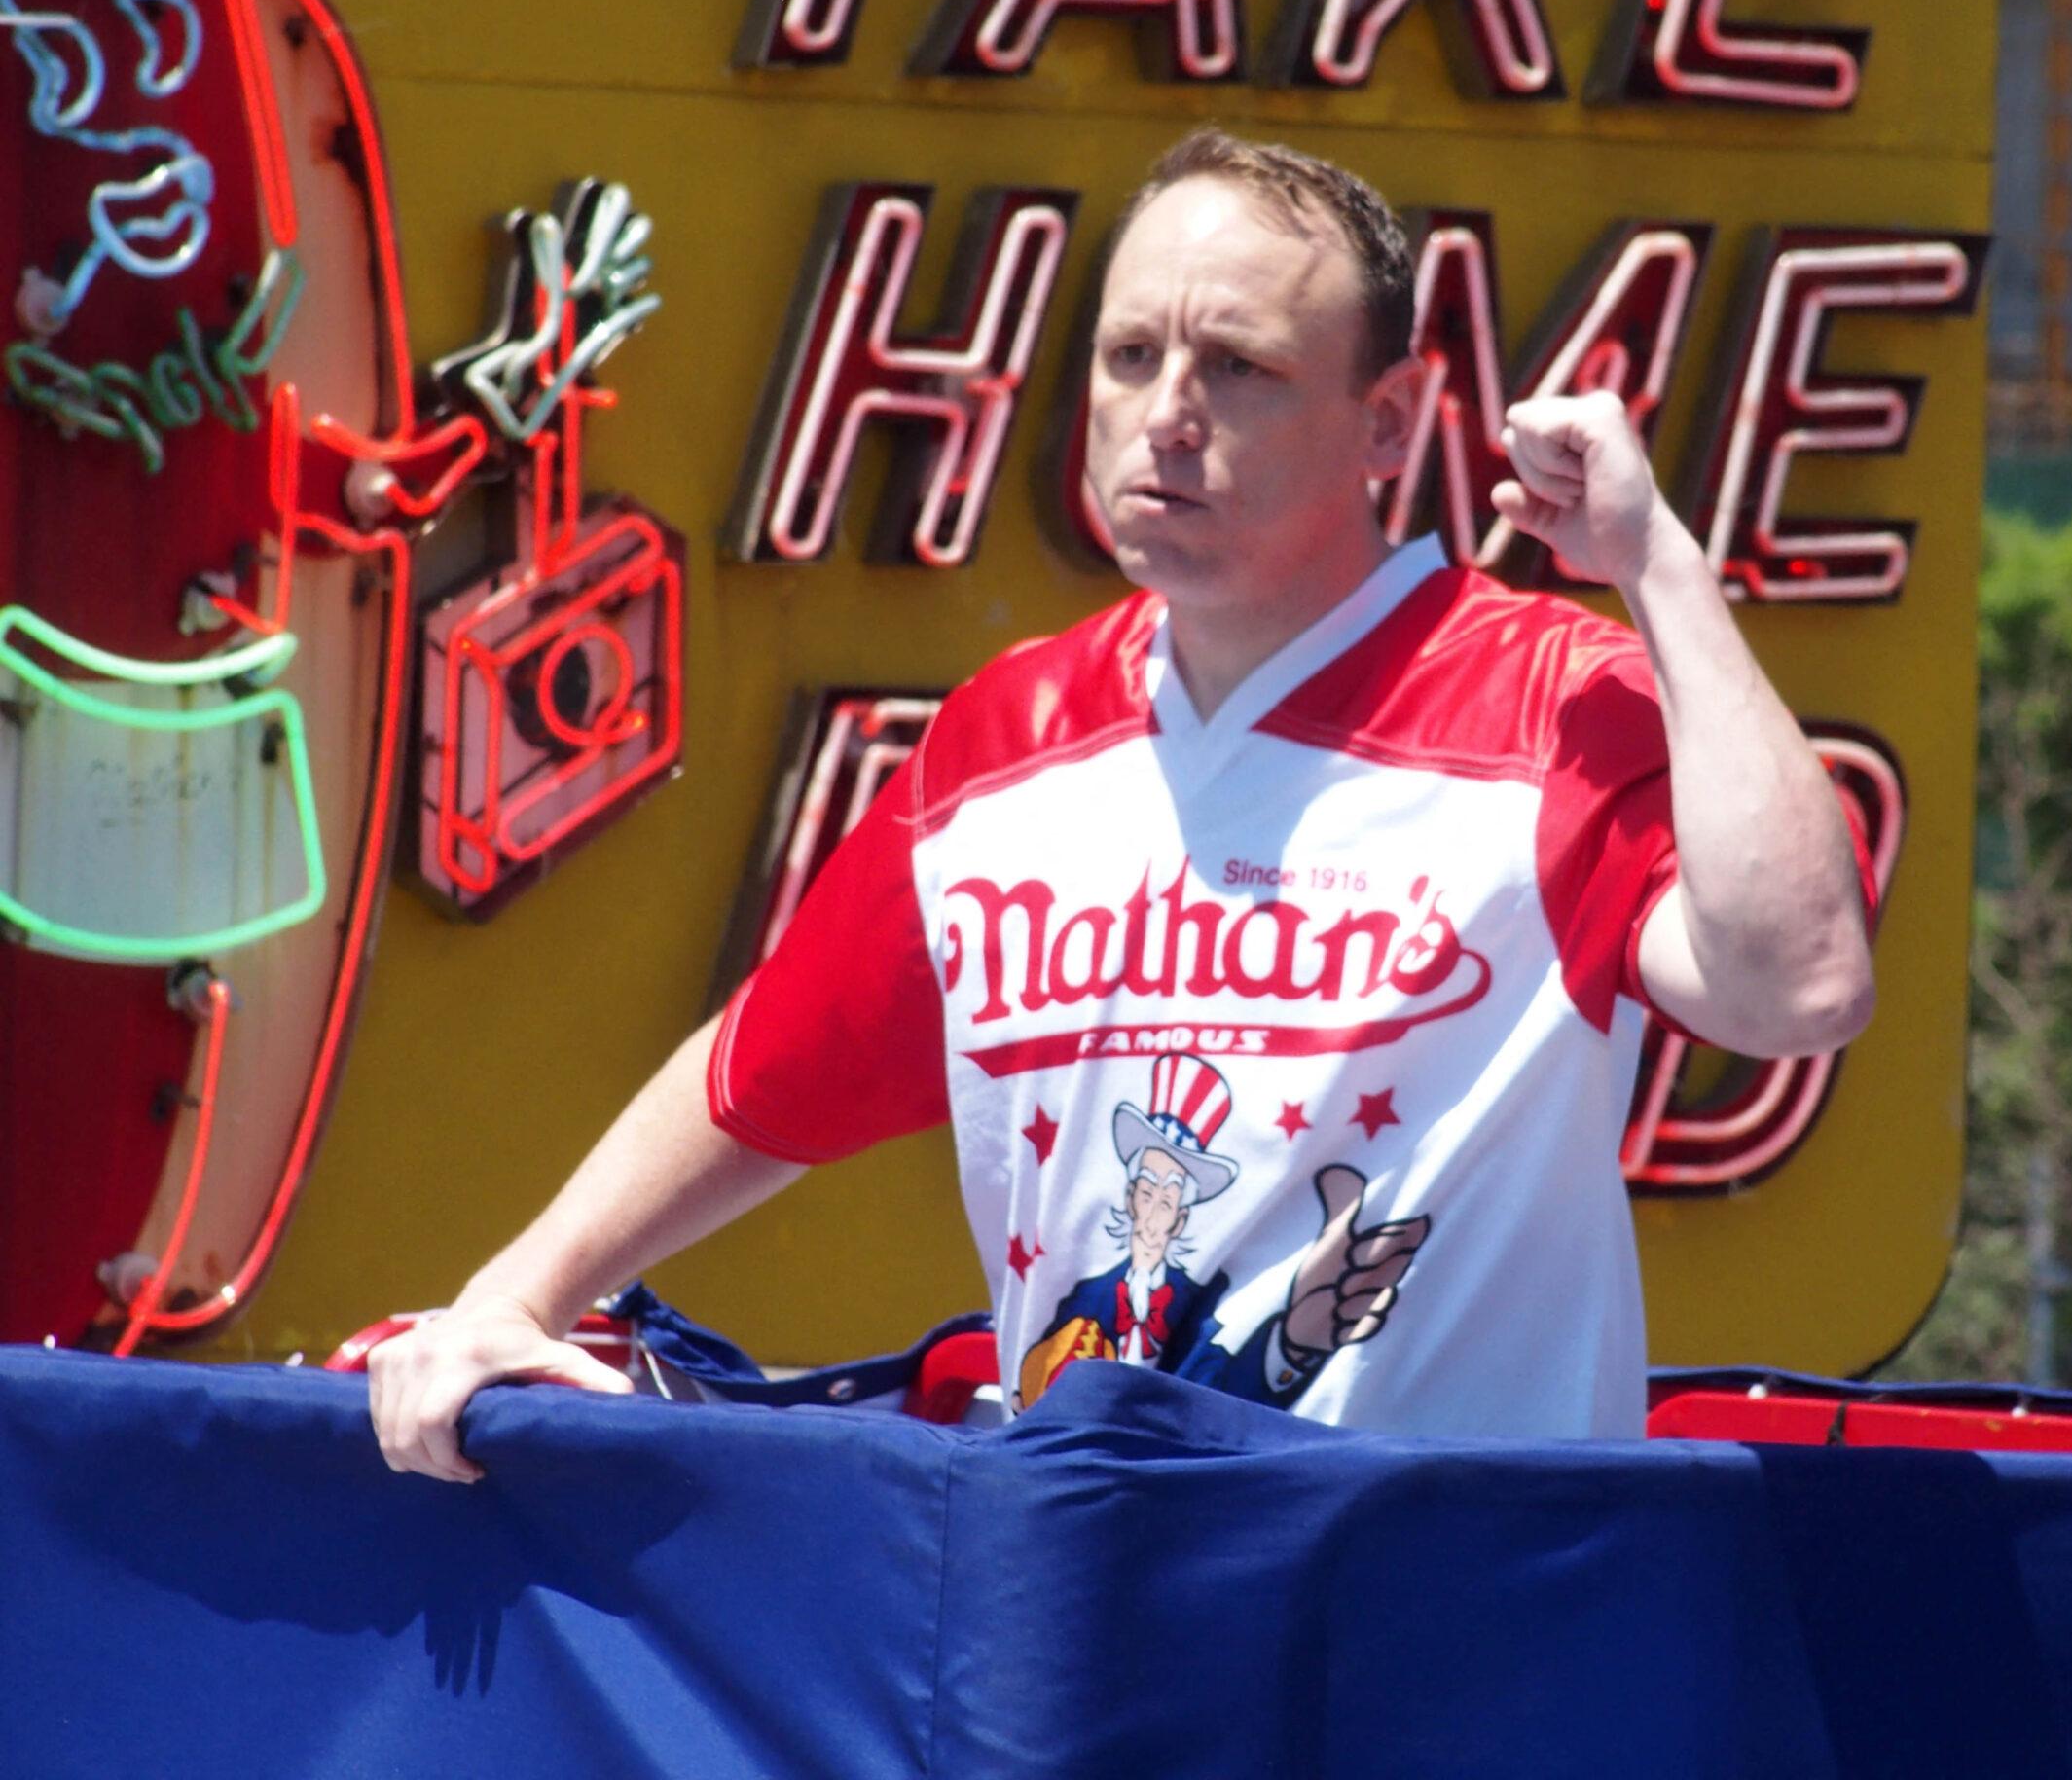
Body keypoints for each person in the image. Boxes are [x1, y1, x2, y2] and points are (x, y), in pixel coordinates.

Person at [368, 129, 1876, 1480]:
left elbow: (1800, 987)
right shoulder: (1004, 739)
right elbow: (763, 1078)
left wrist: (1657, 565)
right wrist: (517, 1296)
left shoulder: (1554, 694)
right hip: (1092, 1596)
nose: (1168, 413)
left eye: (1240, 366)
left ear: (1390, 421)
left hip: (1446, 1611)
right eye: (1130, 354)